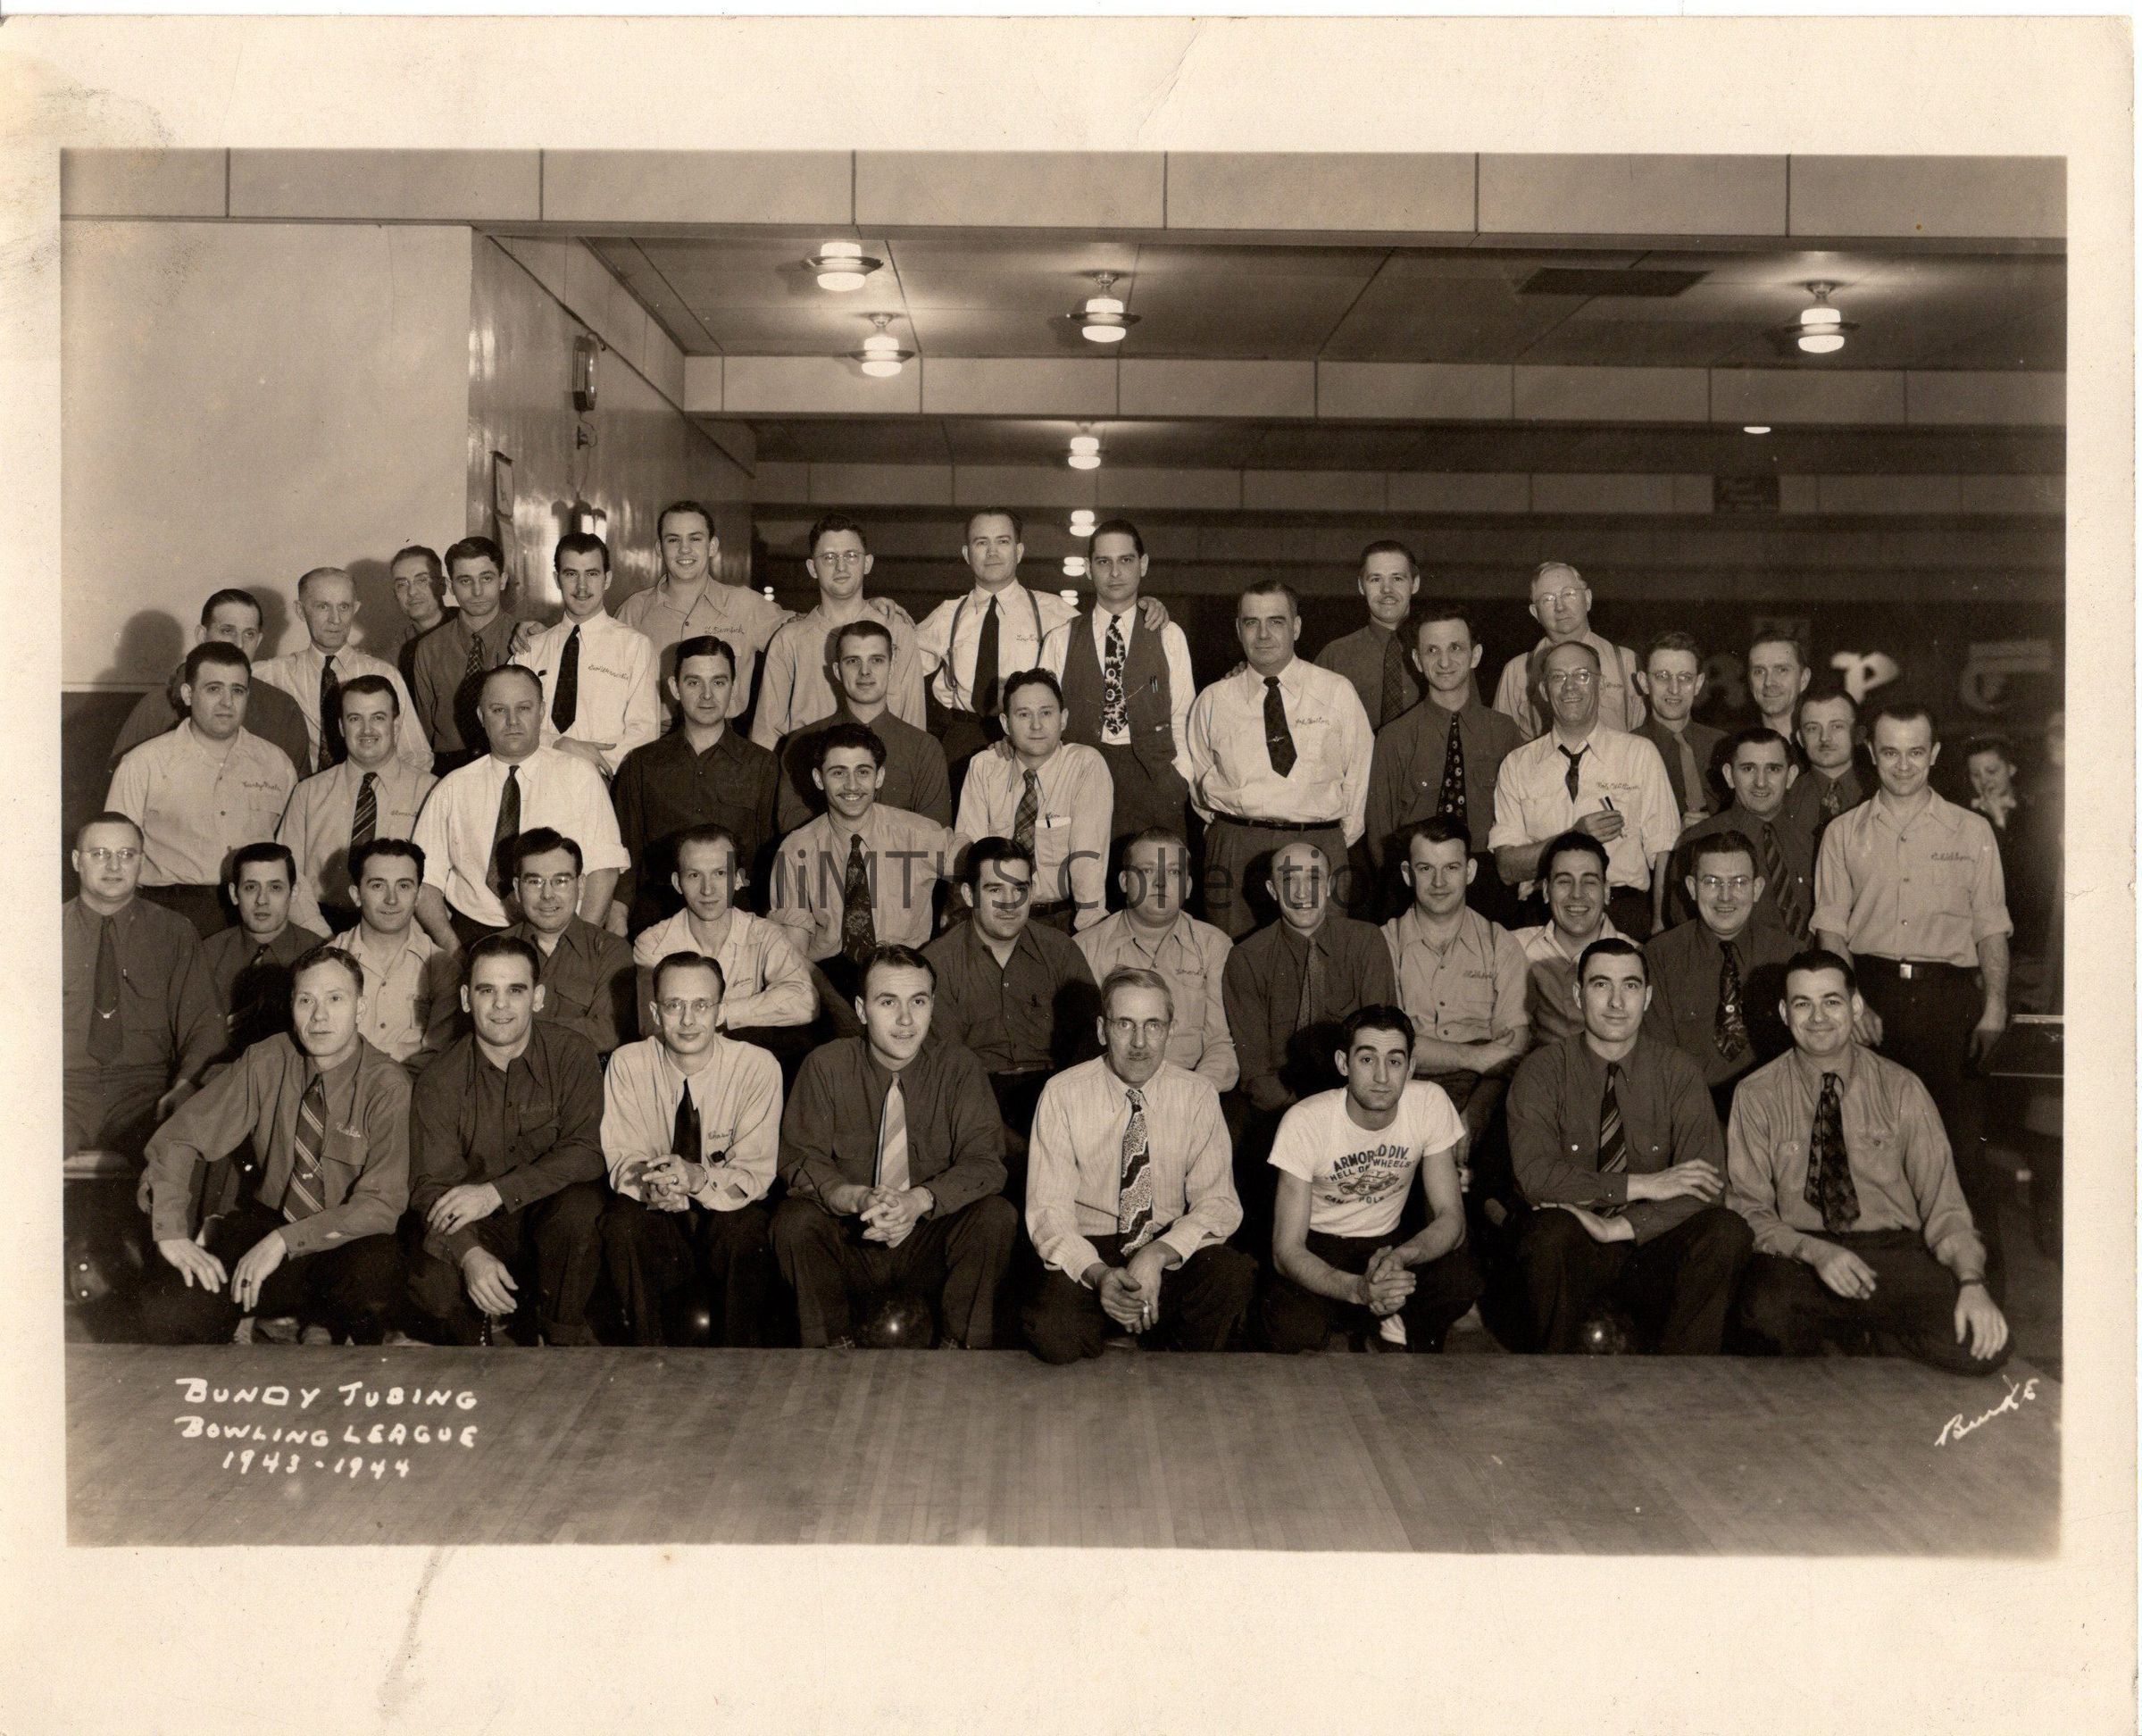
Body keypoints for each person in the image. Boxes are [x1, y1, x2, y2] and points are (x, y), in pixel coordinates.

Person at [1729, 950, 2011, 1373]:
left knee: (1980, 1347)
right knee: (1763, 1317)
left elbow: (1946, 1207)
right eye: (1803, 1004)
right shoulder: (1755, 1095)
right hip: (1804, 1256)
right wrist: (1815, 1253)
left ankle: (1863, 1336)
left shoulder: (1902, 1088)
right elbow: (1749, 1210)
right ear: (1785, 1014)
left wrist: (1971, 1282)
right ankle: (1863, 1340)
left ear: (1856, 1007)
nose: (1818, 1017)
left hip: (1890, 1254)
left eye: (1832, 1001)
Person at [1813, 702, 2013, 1298]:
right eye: (1891, 753)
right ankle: (1885, 1308)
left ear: (1935, 754)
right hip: (1871, 999)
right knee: (1871, 1157)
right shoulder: (1842, 834)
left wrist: (1995, 1006)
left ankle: (1984, 1304)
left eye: (1916, 752)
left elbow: (1990, 929)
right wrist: (1850, 1005)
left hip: (1949, 1004)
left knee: (1961, 1157)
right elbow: (1831, 933)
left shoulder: (1971, 832)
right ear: (1870, 754)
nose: (1903, 766)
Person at [139, 946, 408, 1345]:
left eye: (335, 999)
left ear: (360, 1008)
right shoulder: (266, 1060)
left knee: (373, 1274)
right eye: (306, 1001)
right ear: (292, 1007)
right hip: (270, 1226)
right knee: (169, 1311)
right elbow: (179, 1136)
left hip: (345, 1241)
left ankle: (322, 1326)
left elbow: (380, 1206)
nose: (319, 1016)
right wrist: (172, 1233)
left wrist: (284, 1242)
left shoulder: (387, 1085)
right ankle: (269, 1319)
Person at [1507, 938, 1751, 1354]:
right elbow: (1536, 1177)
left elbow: (1707, 1185)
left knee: (1726, 1231)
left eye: (1631, 986)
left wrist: (1619, 1227)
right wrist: (1644, 1185)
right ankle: (1556, 1378)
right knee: (1548, 1233)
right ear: (1578, 995)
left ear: (1648, 997)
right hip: (1576, 1248)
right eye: (1601, 984)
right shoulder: (1542, 1071)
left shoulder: (1678, 1072)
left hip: (1651, 1247)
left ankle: (1684, 1378)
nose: (1617, 1002)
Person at [773, 945, 1017, 1349]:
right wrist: (855, 1198)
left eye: (918, 1001)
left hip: (927, 1244)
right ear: (862, 1010)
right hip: (852, 1243)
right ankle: (828, 1352)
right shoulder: (826, 1066)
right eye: (888, 1002)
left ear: (932, 1005)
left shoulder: (959, 1068)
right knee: (795, 1222)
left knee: (995, 1216)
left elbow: (985, 1163)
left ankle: (963, 1353)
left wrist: (919, 1200)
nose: (906, 1020)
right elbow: (799, 1157)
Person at [1021, 968, 1254, 1362]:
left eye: (1153, 1025)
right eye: (1124, 1024)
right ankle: (1123, 1331)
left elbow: (1219, 1204)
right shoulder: (1062, 1094)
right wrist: (1099, 1275)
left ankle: (1156, 1345)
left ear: (1171, 1031)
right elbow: (1049, 1212)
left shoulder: (1197, 1095)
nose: (1140, 1043)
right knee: (1051, 1329)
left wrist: (1157, 1255)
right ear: (1102, 1030)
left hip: (1166, 1244)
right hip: (1093, 1249)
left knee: (1230, 1276)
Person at [405, 935, 609, 1346]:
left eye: (515, 990)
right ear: (466, 999)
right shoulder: (438, 1079)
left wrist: (497, 1192)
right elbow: (431, 1187)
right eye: (486, 991)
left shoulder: (572, 1054)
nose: (501, 1005)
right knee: (433, 1284)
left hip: (548, 1216)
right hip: (478, 1225)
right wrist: (469, 1254)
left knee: (579, 1209)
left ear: (538, 997)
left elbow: (587, 1151)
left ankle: (561, 1337)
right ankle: (474, 1341)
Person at [1260, 1005, 1483, 1354]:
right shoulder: (1305, 1120)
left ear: (1411, 1067)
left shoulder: (1429, 1102)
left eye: (1394, 1061)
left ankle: (1404, 1331)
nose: (1381, 1076)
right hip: (1322, 1246)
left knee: (1458, 1279)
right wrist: (1357, 1289)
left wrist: (1401, 1258)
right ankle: (1367, 1319)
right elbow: (1286, 1250)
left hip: (1389, 1242)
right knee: (1292, 1327)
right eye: (1367, 1059)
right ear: (1343, 1064)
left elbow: (1451, 1218)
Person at [600, 950, 783, 1346]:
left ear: (719, 1011)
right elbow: (623, 1156)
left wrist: (697, 1181)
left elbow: (755, 1172)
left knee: (745, 1229)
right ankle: (648, 1356)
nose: (687, 1020)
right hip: (659, 1212)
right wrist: (656, 1186)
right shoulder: (627, 1063)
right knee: (622, 1223)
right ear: (655, 1011)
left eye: (701, 1005)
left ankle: (738, 1363)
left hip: (724, 1210)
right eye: (674, 1005)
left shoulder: (757, 1066)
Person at [1186, 581, 1373, 938]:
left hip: (1318, 845)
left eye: (1276, 621)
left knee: (1320, 959)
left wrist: (1329, 840)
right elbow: (1198, 781)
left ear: (1296, 627)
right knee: (1233, 957)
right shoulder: (1214, 700)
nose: (1263, 634)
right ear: (1238, 629)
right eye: (1251, 622)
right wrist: (1231, 836)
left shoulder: (1336, 692)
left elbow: (1359, 778)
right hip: (1237, 848)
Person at [411, 664, 629, 952]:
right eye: (499, 710)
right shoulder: (453, 787)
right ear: (481, 717)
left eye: (524, 708)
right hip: (474, 934)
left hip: (558, 932)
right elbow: (424, 881)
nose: (512, 721)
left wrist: (576, 947)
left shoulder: (580, 776)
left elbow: (604, 869)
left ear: (542, 711)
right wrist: (454, 951)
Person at [923, 838, 1100, 1167]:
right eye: (994, 889)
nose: (1009, 903)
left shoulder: (1060, 950)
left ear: (1031, 893)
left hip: (1055, 1092)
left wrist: (1065, 1113)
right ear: (969, 895)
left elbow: (1091, 1042)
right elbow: (948, 1068)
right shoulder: (938, 963)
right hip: (977, 1098)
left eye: (1019, 889)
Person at [1488, 638, 1677, 939]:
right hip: (1542, 918)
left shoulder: (1639, 754)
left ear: (1601, 686)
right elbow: (1507, 867)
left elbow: (1664, 850)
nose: (1570, 687)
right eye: (1558, 677)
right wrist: (1575, 836)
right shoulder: (1518, 764)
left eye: (1582, 675)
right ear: (1543, 690)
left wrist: (1660, 926)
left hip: (1623, 913)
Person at [105, 641, 298, 936]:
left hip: (253, 913)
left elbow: (290, 855)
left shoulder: (276, 763)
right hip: (169, 913)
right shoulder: (143, 763)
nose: (227, 702)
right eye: (213, 689)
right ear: (188, 694)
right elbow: (115, 856)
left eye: (237, 690)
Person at [63, 813, 221, 1160]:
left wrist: (185, 1084)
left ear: (141, 862)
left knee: (187, 1152)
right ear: (77, 861)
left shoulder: (174, 932)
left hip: (143, 1092)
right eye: (99, 854)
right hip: (60, 1090)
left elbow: (204, 1025)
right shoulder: (41, 930)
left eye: (126, 854)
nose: (114, 866)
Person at [1363, 600, 1525, 923]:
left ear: (1475, 655)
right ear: (1417, 660)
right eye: (1432, 651)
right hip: (1418, 883)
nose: (1445, 661)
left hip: (1488, 882)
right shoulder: (1394, 737)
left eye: (1455, 648)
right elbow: (1380, 832)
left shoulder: (1504, 731)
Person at [1038, 518, 1196, 847]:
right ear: (1088, 568)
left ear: (1143, 564)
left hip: (1154, 779)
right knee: (1085, 871)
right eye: (1103, 562)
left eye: (1126, 560)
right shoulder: (1060, 639)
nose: (1115, 572)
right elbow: (1046, 720)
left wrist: (1179, 777)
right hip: (1081, 778)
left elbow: (1183, 714)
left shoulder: (1169, 634)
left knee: (1156, 874)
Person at [610, 634, 781, 936]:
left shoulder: (762, 765)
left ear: (734, 688)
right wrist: (618, 915)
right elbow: (626, 851)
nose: (707, 695)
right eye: (693, 682)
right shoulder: (642, 764)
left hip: (737, 914)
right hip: (658, 915)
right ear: (675, 688)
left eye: (718, 682)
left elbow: (771, 855)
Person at [1380, 817, 1529, 1158]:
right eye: (1425, 868)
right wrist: (1476, 1056)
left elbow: (1512, 1050)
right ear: (1407, 874)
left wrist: (1477, 1113)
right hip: (1406, 1092)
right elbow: (1387, 1048)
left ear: (1470, 871)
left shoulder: (1501, 944)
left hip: (1485, 1090)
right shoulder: (1383, 944)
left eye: (1451, 867)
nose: (1439, 882)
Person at [765, 722, 953, 992]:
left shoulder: (918, 834)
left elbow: (983, 867)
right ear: (819, 779)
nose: (852, 785)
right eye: (838, 773)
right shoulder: (796, 849)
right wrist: (836, 1008)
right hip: (828, 981)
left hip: (905, 977)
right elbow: (794, 959)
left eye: (863, 772)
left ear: (879, 776)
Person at [1642, 830, 1797, 1119]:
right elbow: (1659, 1060)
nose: (1725, 897)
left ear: (1757, 889)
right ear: (1692, 888)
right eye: (1712, 882)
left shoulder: (1789, 955)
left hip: (1776, 1113)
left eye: (1739, 882)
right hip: (1690, 1115)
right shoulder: (1660, 957)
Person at [1075, 829, 1238, 1094]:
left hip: (1193, 1090)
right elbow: (1084, 1049)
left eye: (1174, 872)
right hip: (1110, 1093)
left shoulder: (1214, 946)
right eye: (1147, 871)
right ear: (1124, 881)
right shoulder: (1085, 947)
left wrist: (1188, 1096)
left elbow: (1220, 1043)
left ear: (1188, 886)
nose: (1161, 884)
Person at [915, 508, 1079, 773]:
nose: (992, 552)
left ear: (1019, 551)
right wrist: (877, 609)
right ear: (967, 554)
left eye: (1003, 541)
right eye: (982, 543)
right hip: (963, 739)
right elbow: (895, 659)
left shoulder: (1054, 612)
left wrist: (1141, 609)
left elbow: (1103, 636)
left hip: (1029, 738)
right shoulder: (947, 614)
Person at [275, 673, 437, 933]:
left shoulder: (431, 792)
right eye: (355, 719)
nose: (367, 730)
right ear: (341, 727)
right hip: (321, 926)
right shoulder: (308, 793)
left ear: (396, 725)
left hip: (404, 930)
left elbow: (437, 884)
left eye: (378, 718)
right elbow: (286, 875)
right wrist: (320, 936)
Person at [953, 669, 1113, 931]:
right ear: (1006, 724)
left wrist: (1090, 930)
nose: (1036, 725)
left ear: (1063, 719)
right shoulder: (984, 767)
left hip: (1059, 919)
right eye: (1024, 714)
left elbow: (1088, 860)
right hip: (995, 915)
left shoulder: (1085, 765)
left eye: (1046, 713)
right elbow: (970, 852)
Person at [751, 513, 927, 748]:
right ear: (812, 568)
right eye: (829, 557)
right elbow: (766, 733)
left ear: (867, 563)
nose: (841, 566)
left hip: (884, 767)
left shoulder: (897, 632)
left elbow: (915, 725)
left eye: (851, 556)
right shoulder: (789, 640)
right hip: (807, 766)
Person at [629, 825, 816, 1045]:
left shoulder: (765, 934)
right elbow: (651, 1026)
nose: (707, 890)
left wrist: (722, 1012)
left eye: (720, 873)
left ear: (738, 880)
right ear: (678, 883)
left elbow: (805, 1002)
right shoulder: (652, 944)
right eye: (694, 875)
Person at [616, 499, 789, 722]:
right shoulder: (634, 611)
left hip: (723, 737)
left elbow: (803, 637)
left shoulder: (745, 605)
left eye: (695, 539)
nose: (684, 549)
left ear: (712, 546)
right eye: (673, 540)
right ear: (659, 549)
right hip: (652, 736)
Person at [773, 617, 953, 833]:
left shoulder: (924, 749)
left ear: (892, 667)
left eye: (876, 660)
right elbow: (793, 829)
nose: (865, 671)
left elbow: (934, 834)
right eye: (853, 661)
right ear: (837, 671)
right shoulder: (802, 744)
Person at [107, 588, 312, 777]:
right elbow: (122, 786)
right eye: (227, 631)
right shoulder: (156, 707)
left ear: (258, 641)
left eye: (248, 634)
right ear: (202, 635)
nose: (239, 644)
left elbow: (298, 795)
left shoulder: (282, 709)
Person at [252, 565, 429, 776]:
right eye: (323, 606)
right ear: (300, 610)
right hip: (301, 792)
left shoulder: (384, 675)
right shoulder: (270, 674)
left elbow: (417, 756)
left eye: (344, 607)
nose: (335, 619)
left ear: (355, 609)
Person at [517, 531, 661, 780]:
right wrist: (558, 744)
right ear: (557, 579)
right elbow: (512, 723)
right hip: (538, 779)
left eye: (592, 574)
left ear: (607, 579)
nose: (581, 587)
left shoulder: (636, 647)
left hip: (607, 780)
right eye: (571, 574)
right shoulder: (531, 650)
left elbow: (644, 733)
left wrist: (592, 770)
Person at [494, 829, 637, 1056]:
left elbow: (607, 1034)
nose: (547, 894)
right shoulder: (491, 951)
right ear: (517, 889)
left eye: (560, 881)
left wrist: (516, 1030)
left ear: (580, 885)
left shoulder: (611, 951)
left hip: (583, 1072)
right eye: (535, 881)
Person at [1667, 728, 1813, 938]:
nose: (1761, 782)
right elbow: (1687, 930)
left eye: (1773, 769)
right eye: (1748, 769)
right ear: (1729, 775)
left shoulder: (1810, 840)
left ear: (1790, 776)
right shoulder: (1697, 840)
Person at [201, 842, 329, 1061]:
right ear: (234, 893)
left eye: (275, 888)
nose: (262, 900)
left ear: (294, 892)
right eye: (251, 887)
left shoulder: (319, 954)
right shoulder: (208, 953)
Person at [1489, 560, 1646, 738]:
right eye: (1548, 599)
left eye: (1568, 594)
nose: (1560, 607)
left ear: (1587, 599)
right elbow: (1499, 741)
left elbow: (1643, 735)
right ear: (1535, 612)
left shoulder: (1626, 662)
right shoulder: (1516, 672)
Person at [339, 839, 457, 1070]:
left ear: (418, 895)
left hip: (415, 1088)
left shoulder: (443, 968)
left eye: (403, 886)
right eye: (378, 885)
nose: (391, 899)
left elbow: (439, 1057)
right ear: (356, 895)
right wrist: (406, 1050)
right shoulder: (328, 962)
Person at [410, 535, 521, 773]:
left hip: (512, 764)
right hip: (448, 768)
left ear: (502, 580)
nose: (477, 591)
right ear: (450, 586)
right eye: (465, 580)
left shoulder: (526, 641)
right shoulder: (428, 649)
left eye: (486, 578)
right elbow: (422, 733)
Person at [1511, 831, 1623, 1048]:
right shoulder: (1513, 948)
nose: (1577, 894)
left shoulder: (1637, 956)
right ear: (1546, 891)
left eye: (1589, 882)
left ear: (1606, 891)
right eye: (1564, 881)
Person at [1316, 539, 1424, 729]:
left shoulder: (1440, 650)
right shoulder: (1334, 656)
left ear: (1414, 584)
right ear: (1361, 586)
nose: (1387, 589)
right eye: (1375, 579)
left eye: (1397, 579)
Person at [1631, 630, 1725, 826]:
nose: (1674, 689)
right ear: (1644, 682)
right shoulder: (1627, 750)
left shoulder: (1722, 745)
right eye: (1662, 676)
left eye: (1685, 677)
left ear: (1698, 684)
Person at [1778, 685, 1871, 856]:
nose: (1825, 738)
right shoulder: (1784, 799)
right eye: (1813, 728)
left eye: (1837, 726)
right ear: (1800, 738)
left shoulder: (1878, 792)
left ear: (1857, 734)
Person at [388, 544, 449, 691]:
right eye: (402, 584)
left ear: (442, 585)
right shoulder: (395, 654)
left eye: (422, 580)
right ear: (395, 594)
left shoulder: (471, 625)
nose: (412, 592)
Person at [1746, 631, 1813, 749]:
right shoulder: (1737, 747)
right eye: (1759, 671)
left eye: (1782, 670)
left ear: (1804, 679)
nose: (1769, 682)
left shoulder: (1819, 747)